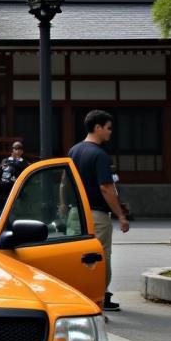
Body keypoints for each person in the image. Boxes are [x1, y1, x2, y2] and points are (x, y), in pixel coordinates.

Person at [68, 110, 129, 311]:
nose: (111, 132)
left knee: (75, 257)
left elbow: (63, 184)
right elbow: (106, 187)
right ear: (98, 128)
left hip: (75, 213)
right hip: (96, 215)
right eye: (108, 128)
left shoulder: (74, 151)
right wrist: (120, 214)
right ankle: (98, 299)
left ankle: (77, 297)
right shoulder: (100, 155)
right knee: (100, 258)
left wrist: (63, 207)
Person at [0, 141, 26, 225]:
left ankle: (9, 227)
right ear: (12, 150)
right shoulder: (5, 161)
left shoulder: (24, 163)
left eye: (20, 149)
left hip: (14, 190)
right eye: (16, 149)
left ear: (22, 151)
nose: (17, 151)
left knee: (10, 211)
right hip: (0, 189)